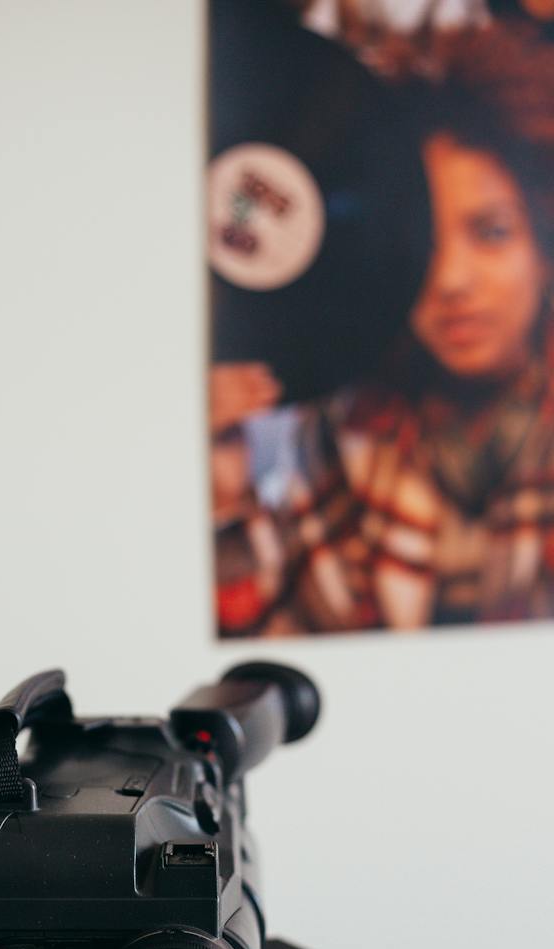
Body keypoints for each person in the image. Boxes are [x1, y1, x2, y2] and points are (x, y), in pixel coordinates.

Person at [212, 21, 554, 635]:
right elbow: (274, 635)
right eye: (421, 245)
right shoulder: (344, 442)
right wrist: (223, 504)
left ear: (544, 247)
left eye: (492, 231)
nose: (449, 279)